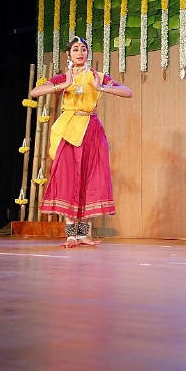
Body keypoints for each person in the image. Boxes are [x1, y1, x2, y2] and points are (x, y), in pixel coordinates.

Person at [29, 36, 132, 248]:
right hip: (68, 130)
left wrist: (101, 88)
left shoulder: (97, 76)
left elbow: (127, 92)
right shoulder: (62, 77)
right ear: (68, 54)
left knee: (90, 178)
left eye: (83, 49)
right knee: (68, 178)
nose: (80, 52)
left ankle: (84, 234)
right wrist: (63, 86)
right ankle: (70, 235)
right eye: (75, 49)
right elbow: (34, 92)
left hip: (91, 130)